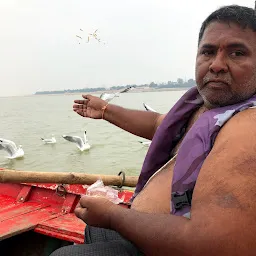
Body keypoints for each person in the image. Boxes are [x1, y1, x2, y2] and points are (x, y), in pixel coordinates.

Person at [51, 4, 256, 256]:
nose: (216, 65)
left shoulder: (248, 125)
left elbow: (216, 246)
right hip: (148, 228)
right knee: (95, 231)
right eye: (208, 52)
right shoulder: (205, 108)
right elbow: (160, 125)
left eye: (237, 53)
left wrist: (114, 216)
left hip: (176, 247)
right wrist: (105, 110)